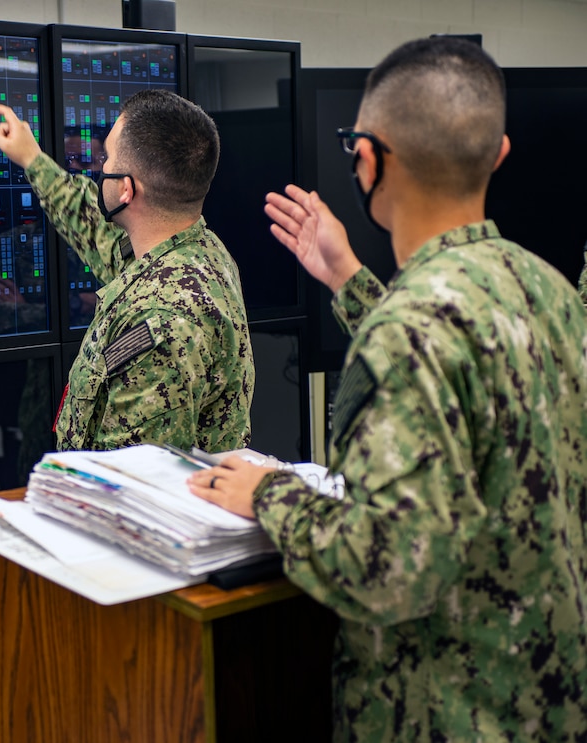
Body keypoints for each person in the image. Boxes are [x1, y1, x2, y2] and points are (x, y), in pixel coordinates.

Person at [188, 38, 587, 739]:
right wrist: (347, 277)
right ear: (496, 155)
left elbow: (387, 571)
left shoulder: (410, 328)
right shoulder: (547, 289)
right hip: (546, 701)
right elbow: (470, 382)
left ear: (366, 159)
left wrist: (268, 494)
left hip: (443, 712)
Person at [0, 91, 254, 452]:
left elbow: (133, 481)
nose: (99, 170)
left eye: (107, 159)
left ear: (126, 190)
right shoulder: (195, 251)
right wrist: (32, 159)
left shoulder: (161, 320)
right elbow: (94, 228)